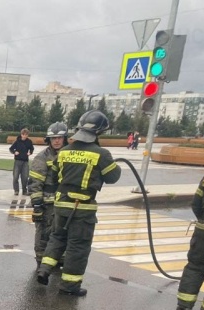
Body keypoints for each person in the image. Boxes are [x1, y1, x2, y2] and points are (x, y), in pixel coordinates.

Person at [36, 110, 122, 296]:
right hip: (82, 209)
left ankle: (44, 269)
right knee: (78, 246)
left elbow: (57, 173)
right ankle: (69, 286)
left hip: (61, 205)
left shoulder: (64, 152)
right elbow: (113, 177)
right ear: (98, 132)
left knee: (57, 238)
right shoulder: (102, 154)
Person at [27, 122, 68, 268]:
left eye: (59, 138)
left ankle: (59, 261)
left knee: (63, 233)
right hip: (47, 205)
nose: (57, 141)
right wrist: (37, 206)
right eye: (53, 138)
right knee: (43, 234)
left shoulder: (69, 155)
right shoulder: (42, 157)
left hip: (65, 204)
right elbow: (35, 183)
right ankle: (41, 262)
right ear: (49, 140)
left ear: (65, 138)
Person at [176, 172, 204, 310]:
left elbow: (196, 202)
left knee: (195, 265)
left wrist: (202, 220)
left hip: (203, 231)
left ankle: (184, 302)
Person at [9, 128, 34, 195]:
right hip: (17, 161)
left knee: (25, 177)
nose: (24, 136)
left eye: (26, 135)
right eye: (23, 134)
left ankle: (24, 190)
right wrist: (14, 152)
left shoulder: (29, 142)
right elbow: (11, 149)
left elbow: (31, 148)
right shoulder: (17, 141)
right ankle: (16, 190)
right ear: (21, 134)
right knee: (15, 176)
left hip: (25, 161)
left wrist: (30, 152)